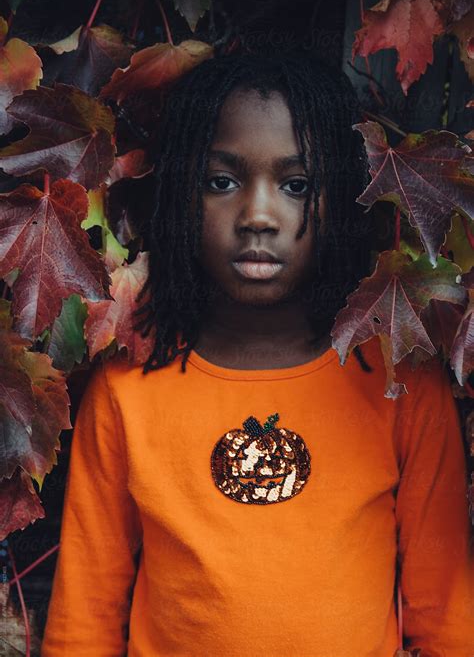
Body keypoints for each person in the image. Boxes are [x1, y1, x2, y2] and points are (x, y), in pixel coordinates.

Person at [41, 52, 473, 656]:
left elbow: (448, 619)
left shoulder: (399, 382)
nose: (258, 216)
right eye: (222, 181)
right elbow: (83, 619)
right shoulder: (128, 386)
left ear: (344, 198)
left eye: (297, 185)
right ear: (181, 197)